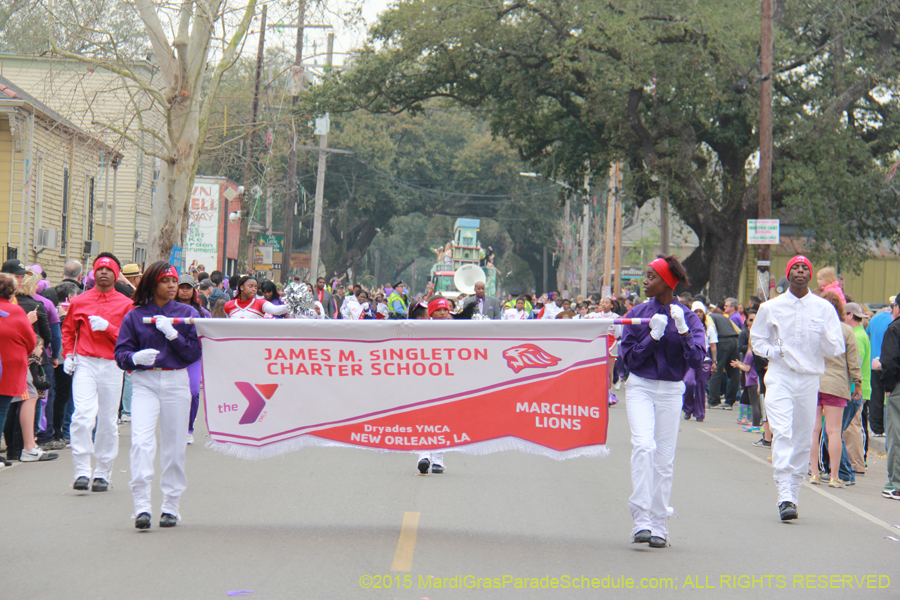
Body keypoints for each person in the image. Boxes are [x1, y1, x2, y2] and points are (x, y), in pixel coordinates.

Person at [618, 256, 706, 548]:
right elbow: (628, 359)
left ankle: (659, 525)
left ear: (667, 282)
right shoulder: (638, 314)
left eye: (650, 276)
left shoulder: (690, 318)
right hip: (641, 386)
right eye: (645, 275)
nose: (644, 281)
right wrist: (652, 336)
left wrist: (682, 331)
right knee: (644, 445)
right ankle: (640, 519)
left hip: (670, 390)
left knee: (663, 460)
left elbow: (697, 359)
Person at [750, 255, 845, 521]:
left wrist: (822, 334)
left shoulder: (823, 309)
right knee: (782, 431)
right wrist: (774, 352)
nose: (800, 271)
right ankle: (784, 495)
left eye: (805, 268)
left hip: (809, 379)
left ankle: (794, 493)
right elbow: (757, 340)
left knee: (804, 437)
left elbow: (837, 347)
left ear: (811, 275)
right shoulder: (772, 307)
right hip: (779, 375)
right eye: (796, 267)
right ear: (788, 274)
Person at [115, 262, 202, 529]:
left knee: (175, 447)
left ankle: (170, 507)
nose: (173, 285)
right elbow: (121, 355)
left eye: (175, 281)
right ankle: (141, 506)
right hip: (145, 383)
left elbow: (193, 354)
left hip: (176, 381)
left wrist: (173, 334)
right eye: (166, 281)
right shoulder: (134, 316)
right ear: (153, 284)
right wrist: (135, 357)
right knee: (141, 443)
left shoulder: (187, 313)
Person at [61, 253, 134, 492]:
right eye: (99, 269)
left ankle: (103, 472)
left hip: (112, 364)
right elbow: (69, 330)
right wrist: (68, 355)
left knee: (107, 421)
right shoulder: (80, 300)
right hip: (85, 362)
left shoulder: (125, 304)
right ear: (93, 273)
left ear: (115, 274)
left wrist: (110, 328)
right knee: (82, 415)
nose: (103, 272)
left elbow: (129, 338)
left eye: (108, 269)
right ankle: (81, 470)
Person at [0, 272, 50, 464]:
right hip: (10, 366)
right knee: (2, 408)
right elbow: (30, 341)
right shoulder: (16, 311)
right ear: (12, 292)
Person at [416, 297, 455, 474]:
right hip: (425, 379)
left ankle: (438, 460)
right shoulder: (422, 329)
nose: (442, 313)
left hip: (446, 380)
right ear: (430, 313)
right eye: (438, 310)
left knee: (444, 419)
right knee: (424, 417)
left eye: (445, 310)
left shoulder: (455, 329)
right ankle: (423, 455)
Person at [175, 274, 211, 444]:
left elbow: (211, 333)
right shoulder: (168, 309)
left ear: (193, 290)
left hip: (194, 357)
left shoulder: (202, 313)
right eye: (181, 287)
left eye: (187, 287)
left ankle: (188, 429)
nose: (184, 290)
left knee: (194, 392)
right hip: (173, 357)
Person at [842, 302, 871, 480]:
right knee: (853, 425)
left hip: (856, 388)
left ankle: (856, 463)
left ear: (851, 315)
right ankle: (857, 462)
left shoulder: (857, 336)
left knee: (852, 427)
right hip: (860, 387)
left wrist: (854, 386)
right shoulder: (860, 334)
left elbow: (856, 363)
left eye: (844, 314)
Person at [682, 301, 715, 423]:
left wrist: (714, 361)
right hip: (690, 357)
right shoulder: (686, 326)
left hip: (704, 358)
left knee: (701, 385)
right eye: (696, 311)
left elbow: (713, 346)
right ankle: (688, 408)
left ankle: (700, 413)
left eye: (700, 311)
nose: (698, 314)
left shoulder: (709, 328)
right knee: (689, 382)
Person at [868, 302, 893, 437]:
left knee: (876, 395)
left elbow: (868, 335)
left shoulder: (874, 319)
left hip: (873, 362)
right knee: (891, 395)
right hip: (889, 362)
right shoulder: (893, 320)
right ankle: (889, 425)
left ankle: (877, 428)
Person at [224, 276, 290, 319]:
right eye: (250, 286)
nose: (254, 289)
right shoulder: (228, 305)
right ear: (241, 287)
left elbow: (276, 310)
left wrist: (293, 305)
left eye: (255, 287)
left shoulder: (260, 303)